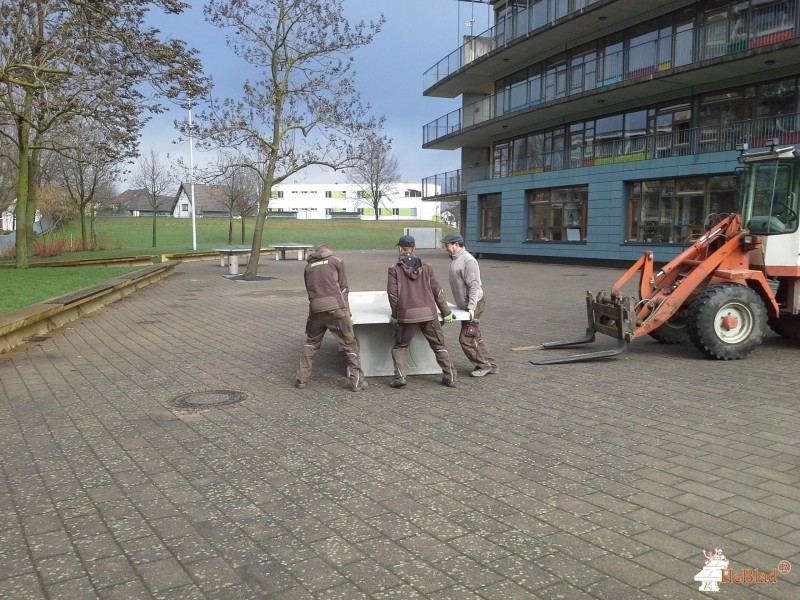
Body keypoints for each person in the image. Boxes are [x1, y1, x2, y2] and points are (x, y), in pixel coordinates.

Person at [387, 235, 457, 389]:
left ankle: (400, 377)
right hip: (429, 314)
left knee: (400, 347)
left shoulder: (394, 269)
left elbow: (393, 295)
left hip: (407, 315)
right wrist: (446, 312)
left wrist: (395, 315)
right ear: (414, 249)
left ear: (400, 249)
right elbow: (437, 291)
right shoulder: (427, 267)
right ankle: (450, 376)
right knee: (438, 345)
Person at [295, 245, 367, 392]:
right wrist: (347, 311)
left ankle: (301, 378)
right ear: (329, 251)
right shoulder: (336, 261)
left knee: (311, 342)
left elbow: (310, 291)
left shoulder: (308, 267)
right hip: (336, 309)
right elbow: (344, 288)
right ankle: (357, 382)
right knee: (349, 344)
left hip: (315, 309)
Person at [441, 232, 499, 377]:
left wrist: (471, 308)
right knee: (475, 337)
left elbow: (474, 285)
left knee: (466, 338)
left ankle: (483, 365)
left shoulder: (468, 261)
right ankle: (492, 364)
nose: (445, 248)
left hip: (474, 305)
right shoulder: (456, 259)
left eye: (447, 245)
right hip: (467, 306)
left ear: (456, 244)